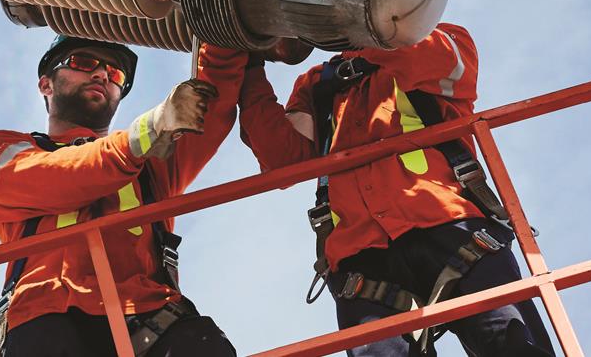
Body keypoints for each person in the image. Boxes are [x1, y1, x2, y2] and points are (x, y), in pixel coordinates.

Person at [236, 23, 554, 356]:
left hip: (454, 229)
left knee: (515, 347)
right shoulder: (320, 85)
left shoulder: (440, 41)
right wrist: (249, 64)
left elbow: (429, 59)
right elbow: (282, 161)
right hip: (361, 257)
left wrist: (347, 19)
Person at [0, 35, 245, 357]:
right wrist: (149, 131)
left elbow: (215, 97)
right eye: (84, 63)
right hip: (47, 315)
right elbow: (62, 176)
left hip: (153, 317)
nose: (102, 75)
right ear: (46, 84)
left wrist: (223, 20)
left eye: (115, 75)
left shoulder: (153, 161)